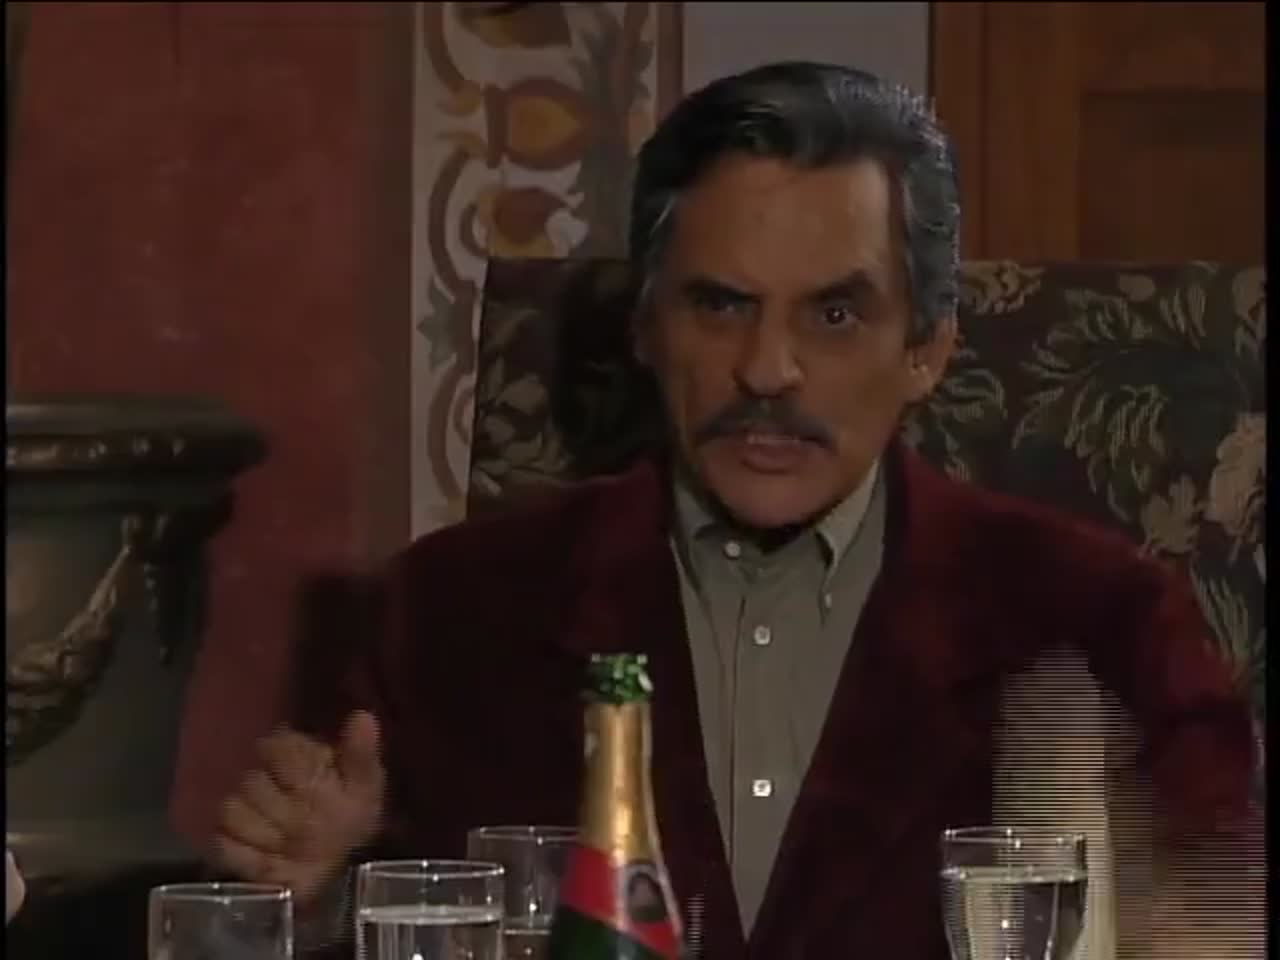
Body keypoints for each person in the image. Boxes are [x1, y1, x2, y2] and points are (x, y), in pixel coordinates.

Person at [212, 62, 1258, 957]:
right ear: (645, 325)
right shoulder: (449, 611)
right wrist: (316, 899)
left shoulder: (1096, 621)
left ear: (926, 350)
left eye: (834, 313)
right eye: (720, 305)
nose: (767, 370)